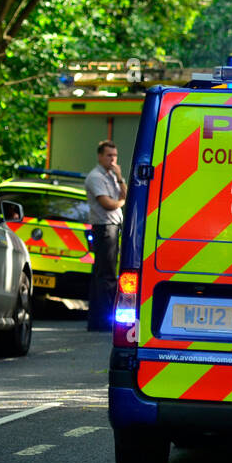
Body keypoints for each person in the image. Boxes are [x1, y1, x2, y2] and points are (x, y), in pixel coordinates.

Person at [85, 139, 126, 332]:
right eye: (109, 155)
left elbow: (124, 194)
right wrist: (121, 202)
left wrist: (120, 178)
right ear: (100, 156)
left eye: (115, 156)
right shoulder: (95, 177)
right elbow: (107, 204)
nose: (113, 159)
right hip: (104, 227)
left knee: (104, 274)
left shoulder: (111, 176)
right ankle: (103, 320)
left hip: (113, 226)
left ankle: (98, 320)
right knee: (106, 275)